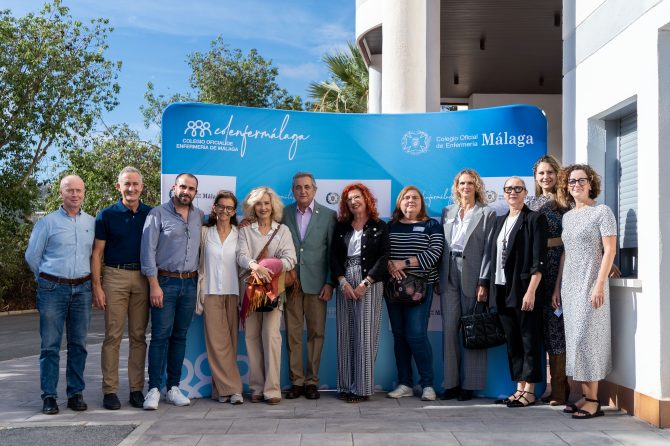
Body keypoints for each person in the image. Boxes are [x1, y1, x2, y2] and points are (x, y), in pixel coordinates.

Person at [25, 175, 95, 415]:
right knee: (50, 346)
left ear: (84, 193)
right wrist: (46, 279)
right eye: (69, 190)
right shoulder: (47, 223)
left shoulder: (91, 222)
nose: (74, 194)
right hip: (52, 289)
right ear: (60, 193)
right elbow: (32, 257)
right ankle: (49, 396)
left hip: (83, 290)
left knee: (79, 345)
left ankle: (75, 393)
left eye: (78, 190)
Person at [555, 164, 617, 419]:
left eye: (581, 180)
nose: (576, 185)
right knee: (576, 342)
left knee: (588, 339)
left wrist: (599, 284)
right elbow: (566, 253)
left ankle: (593, 400)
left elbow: (610, 251)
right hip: (570, 286)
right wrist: (558, 285)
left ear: (591, 183)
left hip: (592, 285)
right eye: (571, 182)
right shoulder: (568, 216)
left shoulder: (602, 212)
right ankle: (584, 395)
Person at [140, 173, 204, 410]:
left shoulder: (199, 216)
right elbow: (147, 252)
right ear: (174, 187)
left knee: (180, 336)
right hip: (164, 283)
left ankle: (173, 388)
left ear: (196, 192)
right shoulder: (157, 214)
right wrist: (154, 285)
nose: (186, 192)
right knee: (160, 337)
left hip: (190, 284)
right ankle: (154, 389)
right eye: (183, 187)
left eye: (191, 189)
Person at [92, 167, 151, 410]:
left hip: (143, 277)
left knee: (139, 336)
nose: (131, 188)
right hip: (114, 275)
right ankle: (110, 391)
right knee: (113, 336)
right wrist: (97, 285)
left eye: (136, 184)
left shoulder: (151, 214)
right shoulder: (106, 215)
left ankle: (137, 389)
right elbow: (97, 253)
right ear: (119, 186)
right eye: (127, 184)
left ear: (142, 187)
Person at [489, 177, 548, 408]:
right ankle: (519, 387)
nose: (512, 192)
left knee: (528, 338)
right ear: (503, 193)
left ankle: (530, 391)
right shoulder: (500, 221)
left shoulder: (534, 219)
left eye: (517, 188)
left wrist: (531, 291)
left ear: (525, 193)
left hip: (524, 289)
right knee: (513, 340)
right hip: (502, 288)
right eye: (508, 189)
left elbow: (538, 260)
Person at [439, 169, 496, 401]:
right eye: (462, 183)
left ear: (477, 186)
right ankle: (450, 384)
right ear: (456, 186)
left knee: (472, 330)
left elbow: (489, 251)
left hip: (473, 276)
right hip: (448, 273)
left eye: (470, 183)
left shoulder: (487, 213)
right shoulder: (447, 211)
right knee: (449, 332)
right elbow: (442, 246)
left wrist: (484, 281)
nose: (466, 187)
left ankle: (469, 385)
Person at [237, 186, 296, 405]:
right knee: (251, 338)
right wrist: (255, 265)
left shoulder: (283, 231)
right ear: (253, 207)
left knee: (271, 337)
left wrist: (270, 265)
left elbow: (291, 259)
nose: (263, 207)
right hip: (250, 290)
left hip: (274, 290)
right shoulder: (245, 230)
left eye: (266, 203)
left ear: (273, 207)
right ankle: (256, 387)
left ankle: (272, 389)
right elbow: (241, 255)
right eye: (258, 203)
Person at [330, 183, 389, 403]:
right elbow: (333, 257)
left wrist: (366, 282)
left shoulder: (380, 226)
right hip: (345, 280)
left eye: (357, 197)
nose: (354, 201)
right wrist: (343, 282)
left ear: (366, 199)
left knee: (365, 334)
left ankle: (362, 388)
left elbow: (384, 258)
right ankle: (345, 386)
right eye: (349, 199)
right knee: (345, 333)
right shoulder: (341, 226)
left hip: (370, 283)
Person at [385, 186, 444, 401]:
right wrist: (390, 264)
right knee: (399, 336)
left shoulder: (431, 225)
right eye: (406, 198)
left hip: (420, 289)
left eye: (415, 198)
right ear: (400, 202)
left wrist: (404, 262)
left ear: (422, 202)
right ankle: (405, 383)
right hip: (393, 290)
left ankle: (427, 384)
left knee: (416, 335)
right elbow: (382, 253)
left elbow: (435, 253)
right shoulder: (390, 226)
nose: (410, 201)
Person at [281, 172, 337, 400]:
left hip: (318, 285)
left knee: (316, 334)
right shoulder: (283, 213)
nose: (302, 191)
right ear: (292, 191)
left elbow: (333, 252)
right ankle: (297, 382)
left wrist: (330, 282)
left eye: (306, 187)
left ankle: (312, 381)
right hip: (291, 284)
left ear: (314, 189)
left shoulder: (329, 215)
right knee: (293, 334)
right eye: (298, 188)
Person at [526, 156, 570, 406]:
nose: (546, 177)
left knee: (556, 328)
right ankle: (536, 387)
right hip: (534, 269)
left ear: (557, 174)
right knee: (536, 327)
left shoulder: (567, 203)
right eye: (541, 173)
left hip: (558, 268)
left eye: (550, 172)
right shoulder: (529, 203)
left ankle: (559, 390)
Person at [195, 191, 243, 405]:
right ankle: (234, 389)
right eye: (221, 206)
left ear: (234, 212)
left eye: (229, 208)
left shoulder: (240, 233)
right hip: (211, 292)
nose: (225, 211)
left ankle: (220, 390)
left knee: (231, 342)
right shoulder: (205, 232)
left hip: (234, 293)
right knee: (217, 343)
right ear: (214, 208)